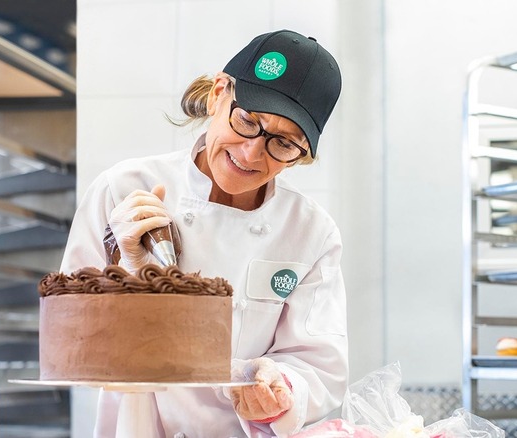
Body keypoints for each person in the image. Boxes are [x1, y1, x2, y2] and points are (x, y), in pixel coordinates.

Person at [60, 29, 347, 437]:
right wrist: (121, 272)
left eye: (283, 144)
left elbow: (319, 365)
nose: (251, 153)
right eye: (247, 120)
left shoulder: (311, 231)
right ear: (217, 94)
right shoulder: (122, 189)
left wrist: (281, 387)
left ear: (302, 155)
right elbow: (71, 344)